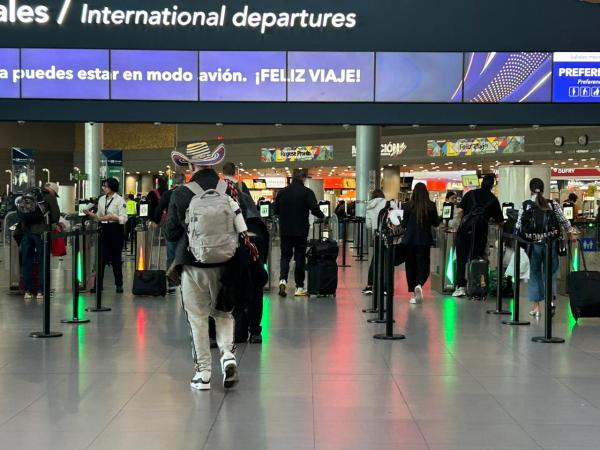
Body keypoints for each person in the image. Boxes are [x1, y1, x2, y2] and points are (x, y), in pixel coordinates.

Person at [165, 142, 249, 391]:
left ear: (190, 165)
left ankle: (203, 374)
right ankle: (228, 356)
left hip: (193, 264)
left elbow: (170, 233)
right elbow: (241, 225)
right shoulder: (230, 190)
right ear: (214, 163)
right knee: (223, 312)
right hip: (226, 263)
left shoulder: (181, 193)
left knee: (198, 318)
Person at [516, 179, 576, 317]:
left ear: (530, 190)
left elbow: (518, 226)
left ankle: (536, 308)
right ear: (543, 189)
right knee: (550, 273)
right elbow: (564, 221)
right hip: (551, 243)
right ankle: (551, 303)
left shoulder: (526, 205)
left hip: (534, 244)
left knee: (535, 274)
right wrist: (570, 234)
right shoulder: (552, 204)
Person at [273, 168, 325, 297]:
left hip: (285, 230)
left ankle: (283, 280)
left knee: (285, 256)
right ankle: (299, 287)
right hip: (301, 230)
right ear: (303, 178)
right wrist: (322, 216)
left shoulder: (282, 192)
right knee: (300, 258)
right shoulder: (307, 192)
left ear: (292, 177)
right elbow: (314, 208)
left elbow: (276, 210)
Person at [452, 174, 504, 297]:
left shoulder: (470, 194)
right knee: (478, 259)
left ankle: (460, 287)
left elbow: (460, 211)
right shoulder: (493, 199)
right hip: (480, 234)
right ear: (492, 185)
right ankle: (477, 286)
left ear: (481, 182)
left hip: (464, 232)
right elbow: (500, 221)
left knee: (461, 259)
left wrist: (458, 225)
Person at [85, 178, 128, 293]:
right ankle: (98, 284)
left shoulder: (120, 200)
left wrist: (113, 217)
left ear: (112, 187)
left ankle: (119, 284)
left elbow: (124, 218)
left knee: (116, 259)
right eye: (103, 186)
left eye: (106, 186)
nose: (103, 188)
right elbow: (99, 215)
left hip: (115, 230)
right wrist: (90, 214)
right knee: (101, 258)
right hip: (103, 229)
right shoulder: (101, 199)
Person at [19, 182, 60, 300]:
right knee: (43, 261)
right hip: (41, 233)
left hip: (27, 232)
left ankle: (27, 291)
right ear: (52, 190)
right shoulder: (49, 197)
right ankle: (41, 291)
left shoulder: (29, 193)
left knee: (26, 261)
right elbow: (56, 216)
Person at [401, 183, 441, 304]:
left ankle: (414, 290)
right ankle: (419, 284)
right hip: (424, 241)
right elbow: (436, 223)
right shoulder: (431, 206)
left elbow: (404, 224)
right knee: (423, 265)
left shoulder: (407, 206)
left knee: (411, 265)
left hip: (409, 241)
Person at [362, 189, 387, 295]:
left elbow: (368, 225)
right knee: (386, 261)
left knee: (375, 260)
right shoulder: (389, 204)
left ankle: (370, 285)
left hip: (377, 235)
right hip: (388, 236)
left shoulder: (369, 206)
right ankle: (385, 287)